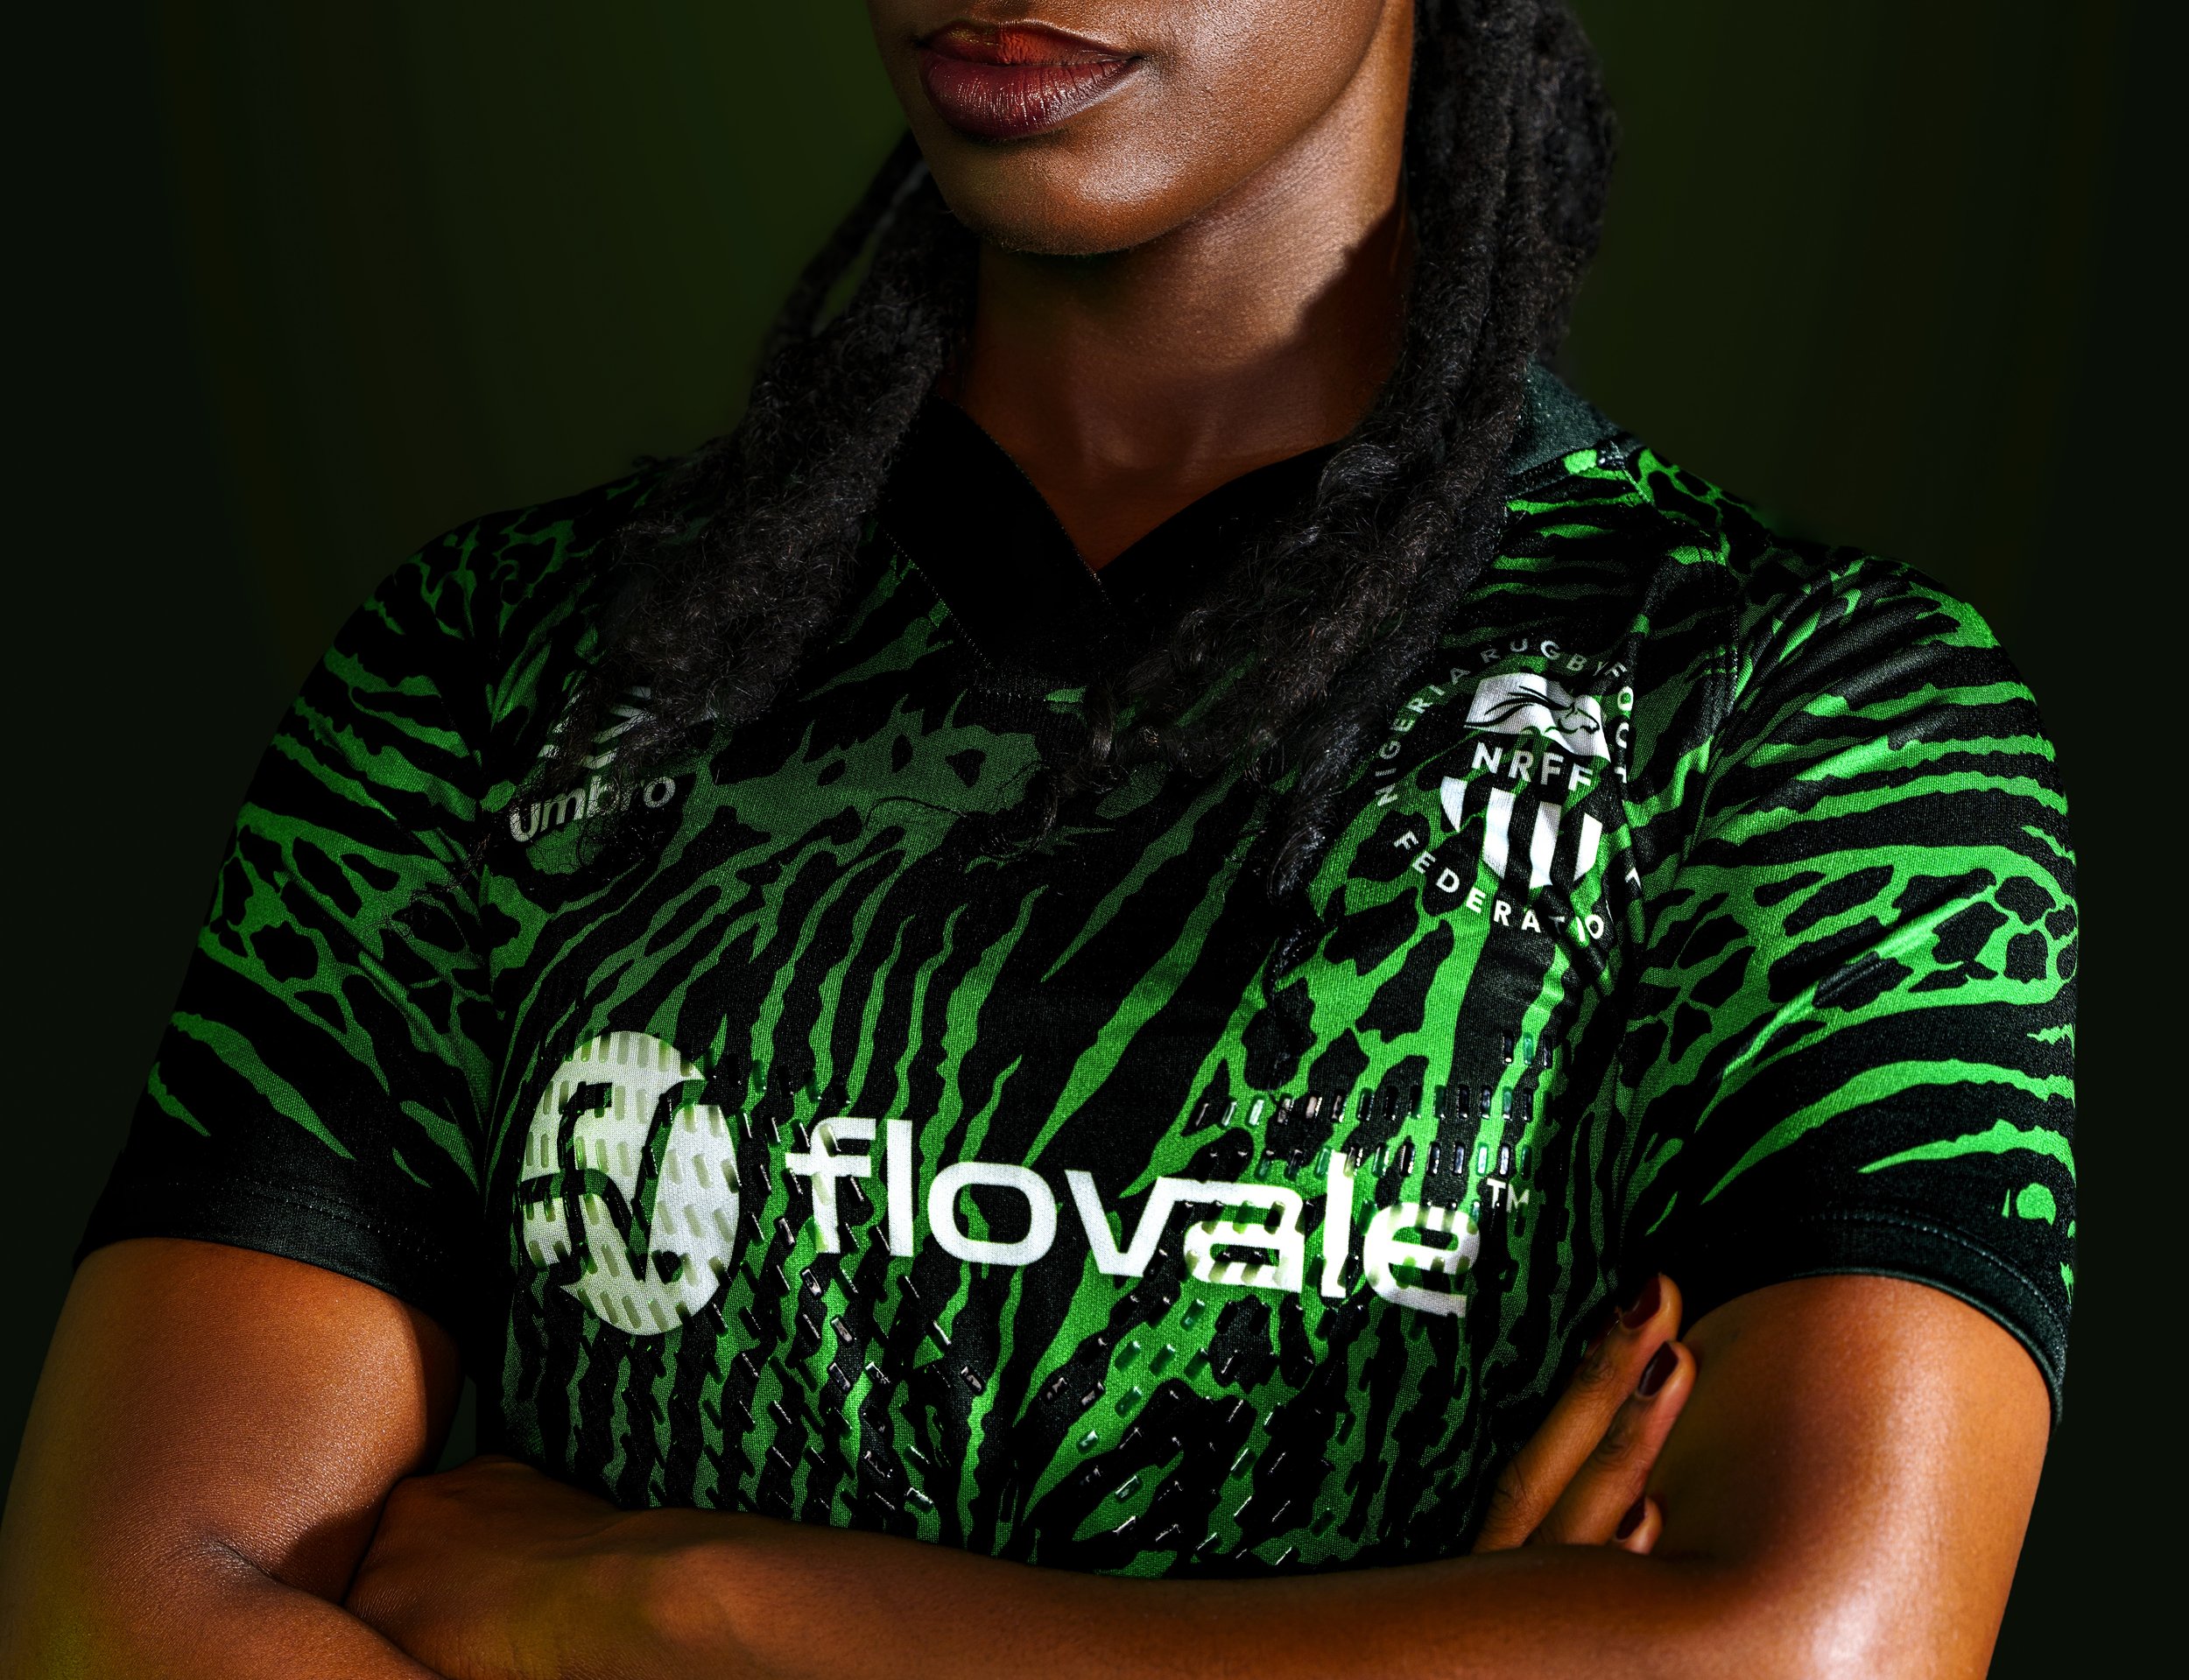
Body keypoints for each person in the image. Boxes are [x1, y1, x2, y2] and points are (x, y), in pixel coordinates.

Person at [0, 2, 2073, 1675]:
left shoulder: (1794, 707)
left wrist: (676, 1608)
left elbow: (1819, 1650)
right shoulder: (497, 666)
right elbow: (134, 1603)